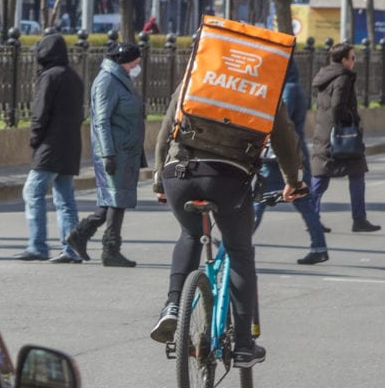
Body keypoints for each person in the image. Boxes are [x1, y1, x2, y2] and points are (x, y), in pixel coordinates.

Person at [149, 81, 307, 367]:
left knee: (189, 234)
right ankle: (244, 346)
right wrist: (293, 182)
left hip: (179, 174)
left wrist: (160, 181)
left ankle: (173, 305)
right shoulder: (265, 83)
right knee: (239, 252)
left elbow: (166, 130)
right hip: (228, 177)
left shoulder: (197, 72)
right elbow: (284, 139)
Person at [66, 42, 145, 268]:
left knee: (113, 199)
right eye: (136, 62)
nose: (138, 65)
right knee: (116, 200)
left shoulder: (120, 78)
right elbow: (101, 121)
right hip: (114, 151)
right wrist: (108, 154)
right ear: (124, 61)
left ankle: (81, 235)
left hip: (125, 149)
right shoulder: (107, 81)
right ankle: (110, 249)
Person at [14, 34, 85, 263]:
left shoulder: (50, 77)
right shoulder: (74, 77)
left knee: (32, 192)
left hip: (50, 146)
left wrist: (34, 139)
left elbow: (40, 112)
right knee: (65, 199)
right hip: (70, 146)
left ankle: (37, 246)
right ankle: (72, 249)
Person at [253, 60, 329, 265]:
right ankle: (319, 247)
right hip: (289, 154)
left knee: (259, 199)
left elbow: (280, 124)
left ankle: (233, 243)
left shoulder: (288, 89)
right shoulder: (294, 87)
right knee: (303, 202)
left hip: (281, 156)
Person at [310, 42, 380, 233]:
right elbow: (337, 107)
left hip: (324, 134)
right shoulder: (343, 78)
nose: (354, 61)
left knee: (322, 177)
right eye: (352, 57)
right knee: (353, 176)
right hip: (341, 137)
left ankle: (313, 218)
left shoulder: (325, 76)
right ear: (344, 60)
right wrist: (353, 119)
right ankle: (358, 219)